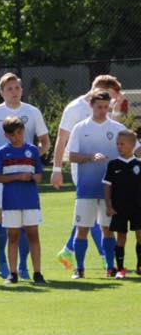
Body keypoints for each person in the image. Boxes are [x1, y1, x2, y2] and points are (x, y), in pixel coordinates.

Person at [0, 73, 50, 280]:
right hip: (3, 176)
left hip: (25, 179)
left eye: (17, 88)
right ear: (1, 92)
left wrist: (31, 159)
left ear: (22, 90)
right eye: (9, 89)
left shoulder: (32, 111)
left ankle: (25, 265)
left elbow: (45, 141)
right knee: (3, 219)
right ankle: (2, 259)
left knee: (28, 223)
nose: (14, 92)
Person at [52, 75, 123, 268]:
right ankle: (102, 258)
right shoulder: (75, 108)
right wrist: (57, 169)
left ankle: (69, 251)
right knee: (91, 214)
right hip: (84, 172)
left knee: (95, 216)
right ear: (99, 89)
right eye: (112, 96)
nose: (113, 101)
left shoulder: (106, 110)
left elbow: (114, 135)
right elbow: (62, 139)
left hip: (106, 172)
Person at [65, 90, 126, 279]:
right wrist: (91, 157)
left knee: (107, 230)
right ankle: (79, 269)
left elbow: (133, 149)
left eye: (106, 107)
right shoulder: (80, 128)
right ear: (91, 106)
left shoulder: (117, 128)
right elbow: (71, 156)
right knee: (82, 229)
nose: (103, 111)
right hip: (86, 189)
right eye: (99, 107)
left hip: (110, 190)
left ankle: (110, 268)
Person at [0, 117, 46, 285]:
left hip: (30, 200)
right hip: (11, 202)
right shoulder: (2, 152)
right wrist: (17, 176)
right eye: (12, 135)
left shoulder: (32, 151)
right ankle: (13, 273)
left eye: (19, 133)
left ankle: (38, 273)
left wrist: (32, 177)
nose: (16, 137)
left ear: (23, 130)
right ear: (6, 135)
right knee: (13, 237)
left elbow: (39, 175)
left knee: (33, 236)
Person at [103, 130, 141, 278]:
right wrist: (108, 205)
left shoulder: (138, 164)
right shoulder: (113, 164)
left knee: (139, 235)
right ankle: (120, 269)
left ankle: (139, 265)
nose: (119, 146)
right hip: (119, 209)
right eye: (117, 144)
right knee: (121, 238)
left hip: (138, 208)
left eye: (122, 144)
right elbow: (107, 186)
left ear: (132, 145)